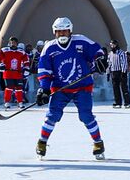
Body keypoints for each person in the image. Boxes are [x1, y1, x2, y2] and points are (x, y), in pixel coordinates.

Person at [34, 17, 105, 160]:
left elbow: (97, 51)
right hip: (60, 89)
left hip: (82, 87)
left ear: (70, 31)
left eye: (65, 31)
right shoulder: (49, 48)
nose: (62, 34)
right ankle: (42, 142)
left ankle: (98, 143)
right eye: (59, 31)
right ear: (54, 32)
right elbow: (44, 70)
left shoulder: (81, 41)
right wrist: (45, 89)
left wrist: (99, 59)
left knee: (86, 115)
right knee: (52, 116)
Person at [0, 38, 30, 107]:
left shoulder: (21, 51)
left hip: (18, 73)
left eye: (14, 42)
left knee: (19, 88)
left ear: (17, 43)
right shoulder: (4, 50)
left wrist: (26, 68)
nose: (13, 44)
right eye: (11, 42)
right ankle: (7, 102)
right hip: (8, 73)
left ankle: (20, 102)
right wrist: (0, 64)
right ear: (9, 43)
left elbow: (26, 61)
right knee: (9, 87)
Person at [107, 41, 130, 108]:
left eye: (113, 45)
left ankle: (127, 102)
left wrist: (123, 72)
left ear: (116, 45)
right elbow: (109, 63)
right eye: (111, 45)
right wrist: (108, 72)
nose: (112, 46)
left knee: (124, 87)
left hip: (120, 71)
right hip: (114, 72)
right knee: (115, 88)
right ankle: (118, 102)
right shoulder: (110, 53)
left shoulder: (121, 53)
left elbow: (124, 62)